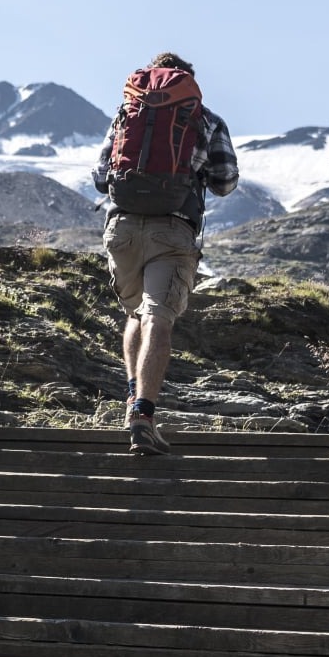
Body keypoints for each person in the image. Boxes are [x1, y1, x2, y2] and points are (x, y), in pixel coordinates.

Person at [93, 52, 239, 455]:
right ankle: (143, 414)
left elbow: (101, 176)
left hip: (121, 228)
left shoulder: (127, 114)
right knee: (158, 316)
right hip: (172, 229)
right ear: (187, 82)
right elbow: (225, 181)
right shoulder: (205, 119)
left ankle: (130, 397)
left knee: (135, 312)